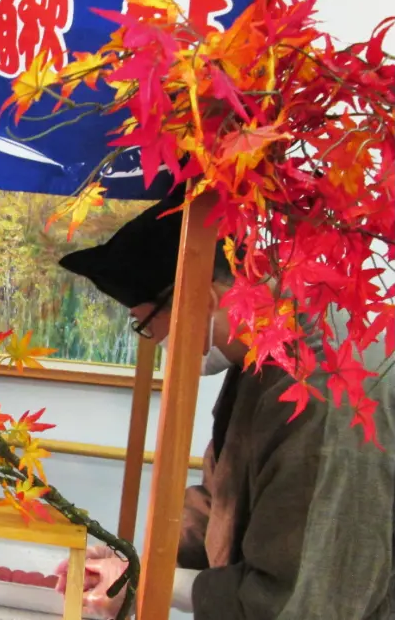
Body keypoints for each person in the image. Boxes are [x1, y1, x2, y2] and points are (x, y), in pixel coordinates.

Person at [55, 190, 395, 619]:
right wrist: (133, 566)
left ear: (206, 300)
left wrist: (149, 583)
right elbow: (223, 498)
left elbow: (298, 597)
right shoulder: (261, 356)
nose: (158, 342)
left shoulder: (321, 388)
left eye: (147, 324)